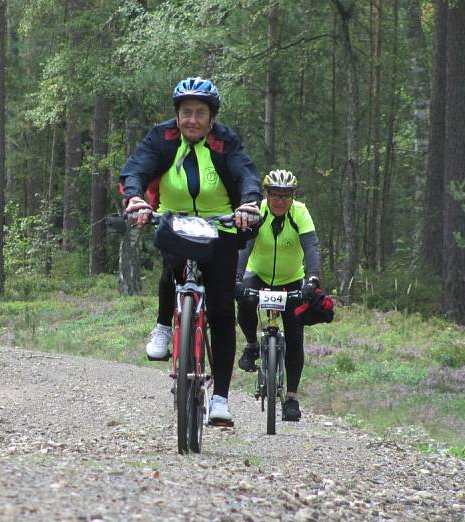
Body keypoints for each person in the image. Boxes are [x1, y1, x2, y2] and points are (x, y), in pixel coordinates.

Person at [120, 76, 262, 426]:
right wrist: (135, 198)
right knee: (171, 270)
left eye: (200, 113)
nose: (192, 120)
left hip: (221, 228)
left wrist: (248, 204)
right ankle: (164, 327)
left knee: (221, 311)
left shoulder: (224, 141)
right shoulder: (162, 137)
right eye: (186, 113)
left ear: (211, 117)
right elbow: (136, 168)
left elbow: (246, 174)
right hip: (175, 222)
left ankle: (220, 399)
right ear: (177, 115)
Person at [235, 169, 321, 422]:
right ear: (267, 195)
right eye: (275, 195)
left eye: (286, 195)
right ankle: (252, 346)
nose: (280, 201)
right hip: (258, 274)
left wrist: (312, 279)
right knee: (245, 299)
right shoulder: (257, 212)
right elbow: (245, 246)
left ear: (293, 196)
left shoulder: (300, 213)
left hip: (291, 279)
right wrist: (237, 277)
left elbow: (311, 247)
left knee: (295, 336)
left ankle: (292, 398)